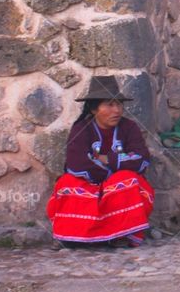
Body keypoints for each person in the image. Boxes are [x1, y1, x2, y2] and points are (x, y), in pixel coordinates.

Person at [46, 75, 154, 248]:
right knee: (67, 183)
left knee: (129, 180)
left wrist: (108, 159)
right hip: (89, 183)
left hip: (117, 185)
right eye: (109, 104)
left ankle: (120, 234)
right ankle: (72, 235)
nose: (117, 110)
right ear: (94, 109)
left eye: (119, 104)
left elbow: (141, 159)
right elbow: (77, 163)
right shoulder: (81, 129)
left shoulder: (129, 128)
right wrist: (115, 167)